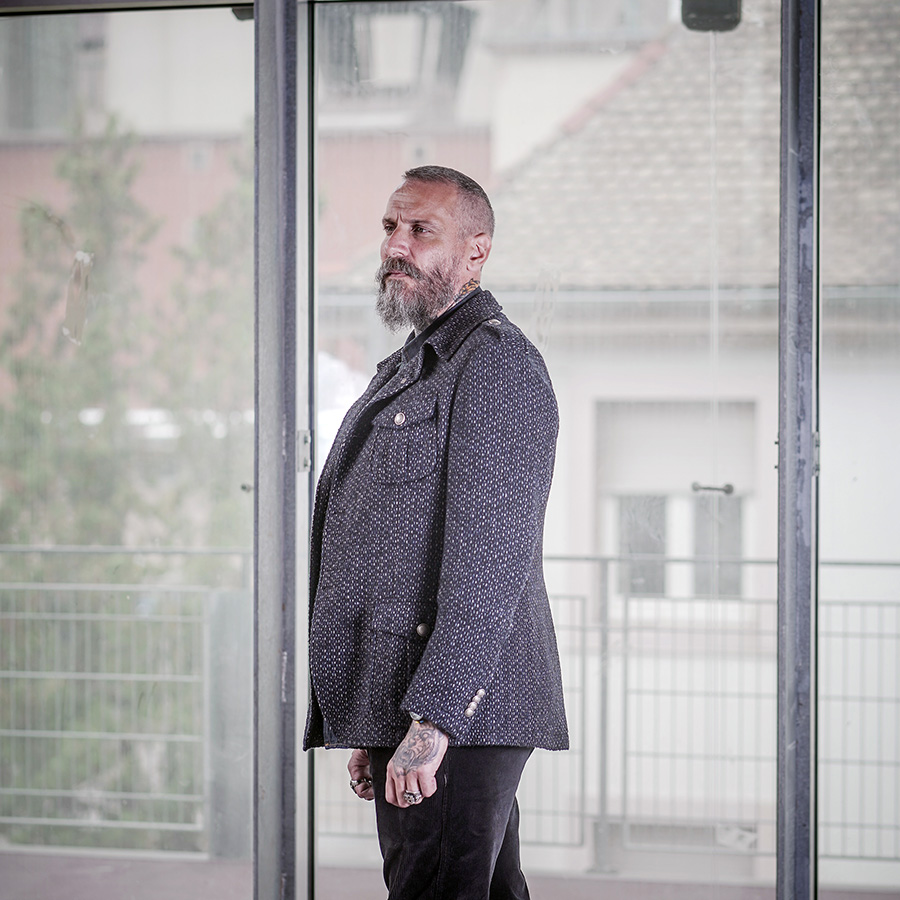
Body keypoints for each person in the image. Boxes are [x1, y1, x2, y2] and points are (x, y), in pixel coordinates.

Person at [303, 165, 568, 900]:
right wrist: (375, 722)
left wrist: (432, 721)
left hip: (459, 713)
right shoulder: (414, 366)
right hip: (424, 706)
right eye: (391, 227)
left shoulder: (496, 365)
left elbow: (490, 562)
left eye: (422, 230)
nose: (397, 245)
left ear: (476, 251)